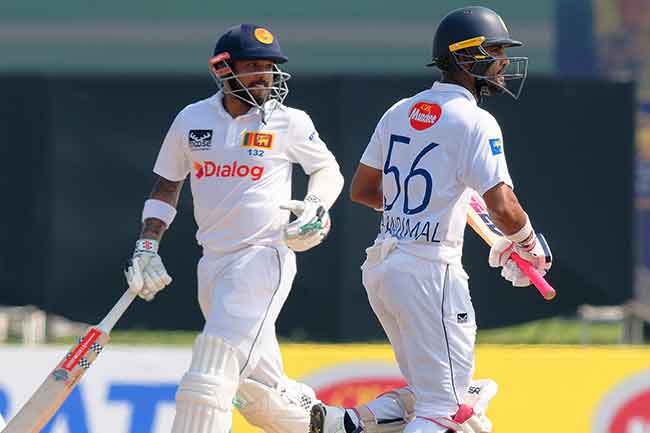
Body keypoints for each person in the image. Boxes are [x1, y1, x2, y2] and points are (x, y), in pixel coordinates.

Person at [310, 6, 552, 433]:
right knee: (446, 411)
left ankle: (349, 422)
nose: (503, 62)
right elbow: (502, 207)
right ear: (465, 56)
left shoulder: (399, 111)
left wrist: (422, 209)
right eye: (495, 51)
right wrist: (530, 246)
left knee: (442, 400)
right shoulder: (476, 121)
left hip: (383, 269)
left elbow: (363, 190)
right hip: (430, 275)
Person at [123, 24, 344, 433]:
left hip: (263, 258)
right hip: (212, 264)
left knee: (213, 369)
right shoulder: (192, 119)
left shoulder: (290, 122)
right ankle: (337, 426)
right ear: (223, 69)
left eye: (270, 67)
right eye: (253, 66)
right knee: (260, 391)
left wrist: (315, 204)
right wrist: (146, 247)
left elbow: (327, 169)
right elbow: (167, 185)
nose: (265, 75)